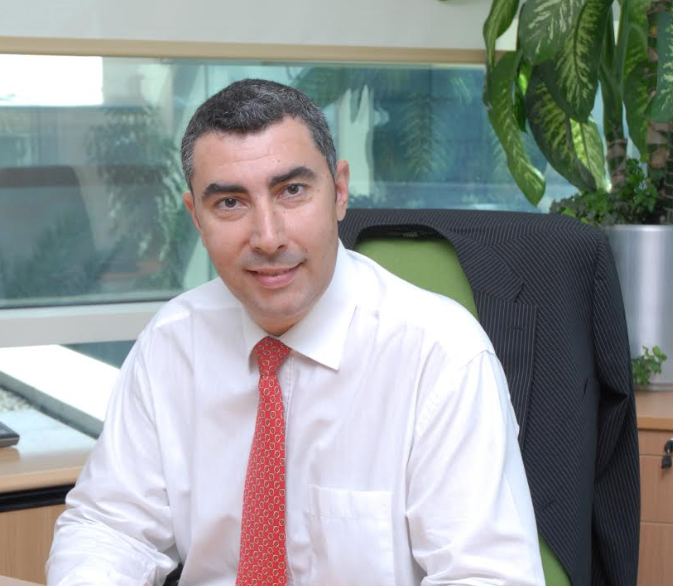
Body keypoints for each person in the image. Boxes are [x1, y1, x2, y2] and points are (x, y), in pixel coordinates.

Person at [47, 79, 545, 586]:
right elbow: (108, 528)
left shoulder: (439, 356)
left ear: (340, 191)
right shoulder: (172, 344)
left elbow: (488, 576)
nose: (268, 238)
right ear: (196, 216)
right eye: (230, 203)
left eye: (292, 191)